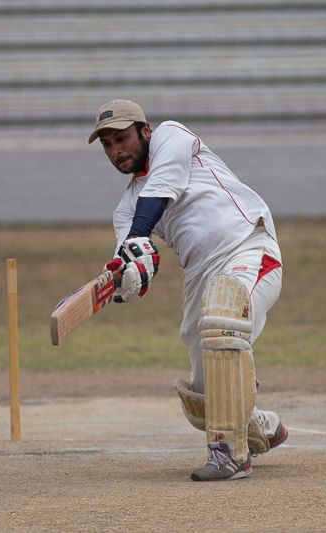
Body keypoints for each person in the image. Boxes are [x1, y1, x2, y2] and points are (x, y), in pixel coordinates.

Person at [88, 100, 287, 481]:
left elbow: (160, 191)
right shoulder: (126, 209)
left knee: (223, 317)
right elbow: (131, 263)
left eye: (122, 138)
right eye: (107, 145)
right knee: (204, 399)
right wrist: (126, 275)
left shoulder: (171, 136)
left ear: (145, 130)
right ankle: (259, 425)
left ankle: (230, 455)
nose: (116, 151)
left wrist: (136, 239)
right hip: (200, 278)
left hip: (247, 248)